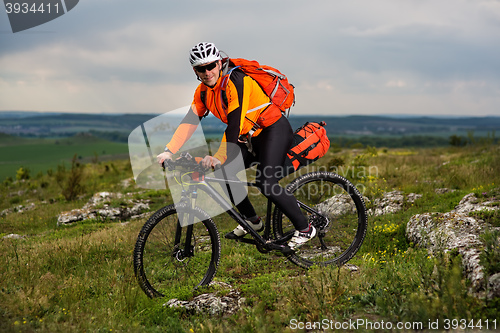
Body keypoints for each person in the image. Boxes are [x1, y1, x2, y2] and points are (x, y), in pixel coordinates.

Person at [156, 42, 316, 250]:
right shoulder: (203, 92)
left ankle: (305, 229)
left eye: (211, 65)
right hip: (248, 136)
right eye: (200, 68)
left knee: (266, 183)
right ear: (194, 70)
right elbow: (190, 121)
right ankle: (252, 221)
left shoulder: (237, 81)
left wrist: (218, 155)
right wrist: (169, 150)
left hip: (272, 130)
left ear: (219, 62)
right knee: (225, 171)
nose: (207, 72)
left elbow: (235, 123)